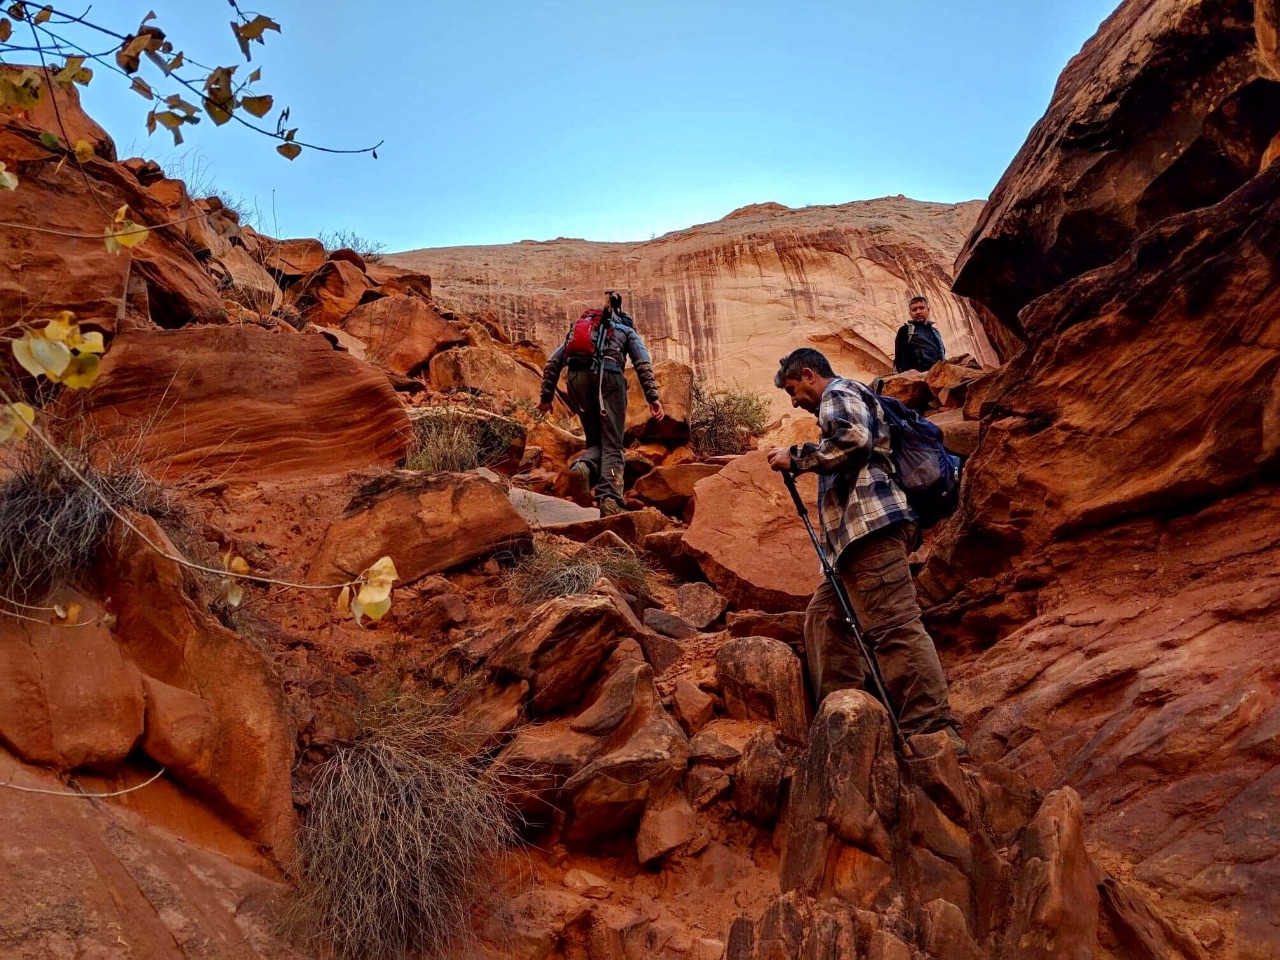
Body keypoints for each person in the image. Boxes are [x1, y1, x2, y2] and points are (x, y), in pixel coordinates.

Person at [765, 347, 964, 753]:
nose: (794, 400)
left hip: (873, 529)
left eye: (792, 389)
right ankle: (847, 720)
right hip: (851, 544)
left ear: (808, 375)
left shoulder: (838, 392)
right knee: (825, 619)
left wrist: (798, 457)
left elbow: (855, 440)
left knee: (894, 626)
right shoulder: (837, 401)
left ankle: (933, 731)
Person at [538, 291, 664, 516]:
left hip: (576, 381)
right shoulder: (627, 331)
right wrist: (653, 399)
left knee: (596, 441)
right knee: (613, 444)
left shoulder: (581, 331)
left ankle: (583, 469)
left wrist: (546, 399)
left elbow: (552, 363)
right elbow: (642, 364)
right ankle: (610, 501)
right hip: (609, 378)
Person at [893, 295, 946, 374]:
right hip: (918, 376)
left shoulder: (935, 332)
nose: (918, 312)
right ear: (910, 313)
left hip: (938, 374)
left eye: (921, 308)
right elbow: (901, 357)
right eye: (914, 310)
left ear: (928, 310)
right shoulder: (905, 330)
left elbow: (942, 354)